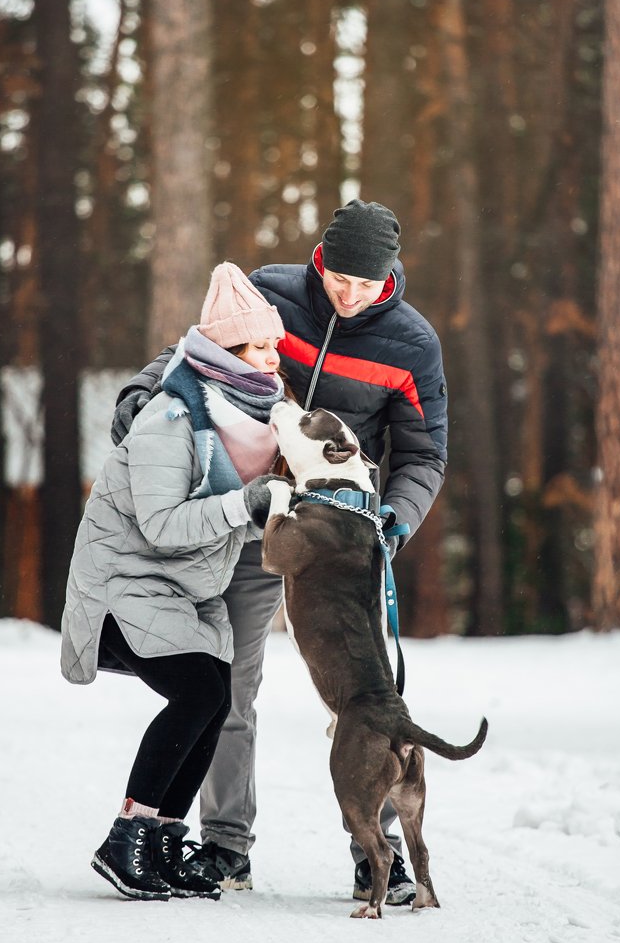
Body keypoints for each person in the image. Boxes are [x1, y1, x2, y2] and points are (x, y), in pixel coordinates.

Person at [111, 199, 448, 906]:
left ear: (388, 277)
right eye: (339, 281)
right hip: (253, 517)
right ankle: (227, 847)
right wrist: (145, 389)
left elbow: (423, 455)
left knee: (368, 698)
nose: (349, 297)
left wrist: (396, 520)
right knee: (229, 681)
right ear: (321, 257)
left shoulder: (412, 343)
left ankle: (378, 851)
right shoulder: (272, 292)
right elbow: (196, 352)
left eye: (366, 285)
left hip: (345, 539)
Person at [60, 262, 289, 902]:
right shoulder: (172, 415)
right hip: (123, 584)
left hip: (174, 587)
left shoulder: (245, 417)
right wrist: (247, 507)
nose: (275, 357)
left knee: (216, 694)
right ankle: (125, 838)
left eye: (273, 345)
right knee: (195, 694)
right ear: (227, 353)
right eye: (261, 347)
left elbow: (219, 520)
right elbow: (162, 523)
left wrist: (268, 518)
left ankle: (160, 840)